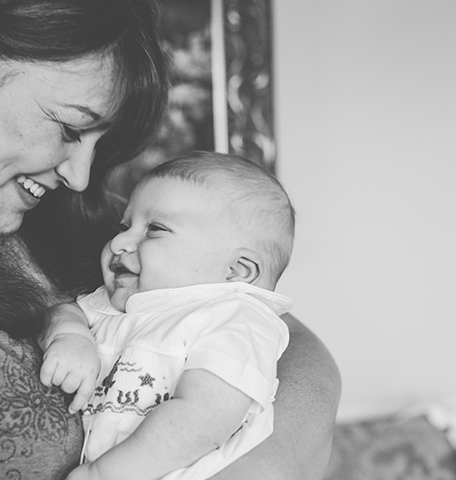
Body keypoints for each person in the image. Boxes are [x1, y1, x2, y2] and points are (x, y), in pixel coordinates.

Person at [0, 0, 341, 478]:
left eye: (99, 142)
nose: (80, 176)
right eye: (69, 128)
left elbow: (293, 346)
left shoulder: (88, 218)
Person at [39, 152, 296, 480]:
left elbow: (203, 419)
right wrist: (71, 335)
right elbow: (63, 309)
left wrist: (103, 474)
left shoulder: (236, 319)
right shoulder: (117, 302)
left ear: (236, 271)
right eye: (124, 226)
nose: (118, 242)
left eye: (155, 229)